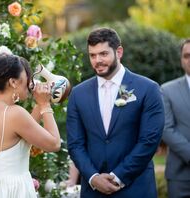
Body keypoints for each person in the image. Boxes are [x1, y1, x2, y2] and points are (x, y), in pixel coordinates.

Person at [66, 27, 164, 197]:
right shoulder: (78, 93)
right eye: (93, 55)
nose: (97, 60)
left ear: (119, 52)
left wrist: (118, 177)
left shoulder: (148, 89)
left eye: (103, 54)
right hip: (93, 190)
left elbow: (149, 141)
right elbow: (75, 144)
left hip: (135, 188)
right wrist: (94, 177)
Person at [0, 54, 60, 198]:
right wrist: (45, 105)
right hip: (13, 190)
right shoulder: (15, 113)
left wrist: (39, 104)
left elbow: (22, 136)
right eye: (26, 77)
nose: (30, 82)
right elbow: (54, 144)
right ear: (13, 82)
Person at [161, 38, 190, 198]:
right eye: (187, 56)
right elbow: (166, 128)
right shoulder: (166, 90)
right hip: (180, 177)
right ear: (181, 60)